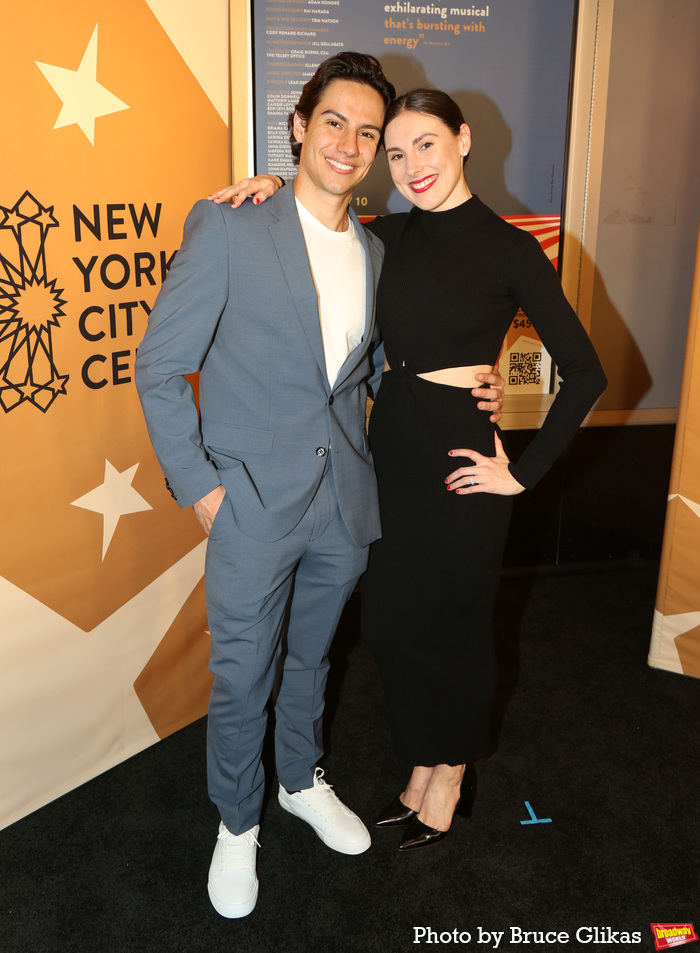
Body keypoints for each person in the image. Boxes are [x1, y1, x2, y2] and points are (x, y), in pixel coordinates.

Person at [135, 54, 505, 919]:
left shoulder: (380, 249)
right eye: (332, 121)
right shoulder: (232, 225)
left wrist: (472, 386)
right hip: (249, 502)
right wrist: (201, 489)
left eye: (368, 132)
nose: (350, 142)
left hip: (345, 500)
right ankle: (236, 824)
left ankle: (299, 779)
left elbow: (382, 367)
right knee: (242, 673)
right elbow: (160, 366)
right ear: (298, 127)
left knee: (312, 660)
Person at [211, 88, 607, 851]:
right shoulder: (386, 233)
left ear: (463, 139)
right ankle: (425, 754)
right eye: (395, 152)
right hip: (389, 447)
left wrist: (523, 475)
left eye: (426, 144)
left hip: (464, 455)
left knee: (456, 620)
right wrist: (267, 185)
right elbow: (311, 227)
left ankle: (447, 773)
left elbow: (586, 374)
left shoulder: (509, 247)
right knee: (393, 619)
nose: (411, 165)